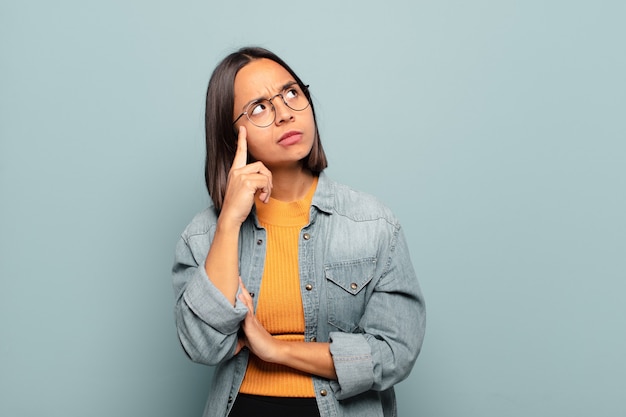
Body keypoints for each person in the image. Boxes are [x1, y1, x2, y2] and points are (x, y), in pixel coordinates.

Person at [172, 46, 426, 417]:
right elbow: (202, 345)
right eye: (259, 107)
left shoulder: (372, 225)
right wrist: (228, 222)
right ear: (231, 135)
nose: (284, 114)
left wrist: (276, 350)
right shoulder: (201, 236)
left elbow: (394, 354)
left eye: (291, 93)